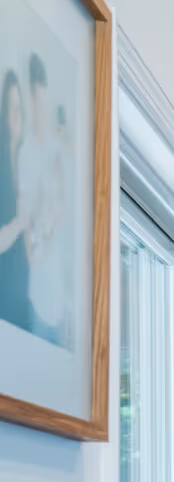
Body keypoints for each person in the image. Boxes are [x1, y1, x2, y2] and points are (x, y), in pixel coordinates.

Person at [20, 53, 68, 346]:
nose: (41, 108)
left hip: (58, 303)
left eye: (44, 101)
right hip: (37, 300)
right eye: (36, 101)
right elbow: (29, 235)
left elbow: (62, 212)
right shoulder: (25, 153)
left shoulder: (55, 152)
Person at [0, 71, 32, 337]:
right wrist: (20, 223)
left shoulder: (24, 164)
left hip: (24, 300)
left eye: (19, 108)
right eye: (11, 108)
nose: (16, 115)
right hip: (4, 303)